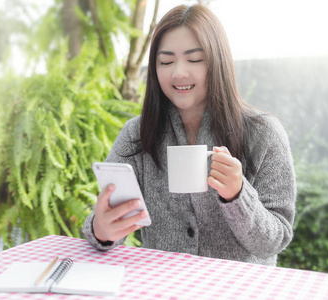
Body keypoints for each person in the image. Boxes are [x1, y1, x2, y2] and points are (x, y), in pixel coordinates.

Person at [82, 4, 296, 266]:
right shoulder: (137, 135)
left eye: (194, 59)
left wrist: (238, 195)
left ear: (217, 62)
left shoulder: (264, 134)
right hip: (162, 287)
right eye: (166, 61)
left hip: (239, 290)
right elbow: (100, 227)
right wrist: (100, 231)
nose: (178, 72)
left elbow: (275, 240)